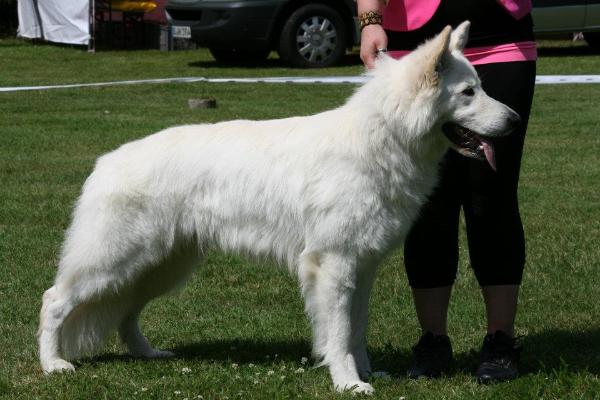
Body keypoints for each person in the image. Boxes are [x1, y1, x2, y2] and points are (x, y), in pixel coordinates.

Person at [357, 0, 537, 383]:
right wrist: (370, 21)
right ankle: (433, 341)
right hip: (415, 50)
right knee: (427, 204)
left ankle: (501, 341)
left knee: (492, 194)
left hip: (500, 41)